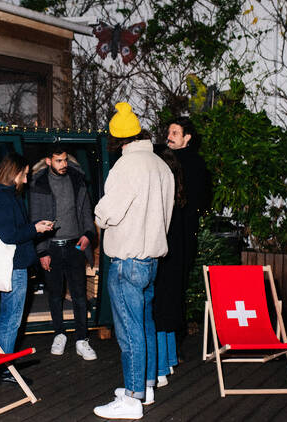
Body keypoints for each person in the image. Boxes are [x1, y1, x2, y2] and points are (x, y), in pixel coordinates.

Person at [93, 102, 174, 420]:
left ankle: (131, 399)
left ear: (117, 140)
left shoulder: (125, 168)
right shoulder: (160, 165)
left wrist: (98, 212)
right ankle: (146, 385)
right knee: (146, 323)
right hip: (151, 260)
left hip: (127, 260)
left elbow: (107, 212)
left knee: (129, 331)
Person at [0, 152, 54, 384]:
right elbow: (9, 235)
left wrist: (32, 227)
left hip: (10, 265)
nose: (26, 180)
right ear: (14, 173)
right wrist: (35, 229)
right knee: (11, 320)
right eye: (24, 175)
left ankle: (1, 365)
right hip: (13, 267)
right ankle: (5, 369)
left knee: (7, 318)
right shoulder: (4, 198)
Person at [154, 116, 209, 386]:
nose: (170, 136)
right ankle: (168, 349)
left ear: (187, 137)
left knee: (173, 291)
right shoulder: (163, 159)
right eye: (169, 131)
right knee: (168, 291)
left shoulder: (193, 164)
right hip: (171, 236)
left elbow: (199, 200)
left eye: (175, 132)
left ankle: (172, 348)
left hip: (180, 238)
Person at [29, 144, 98, 360]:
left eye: (65, 160)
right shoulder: (38, 185)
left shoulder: (77, 180)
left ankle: (81, 339)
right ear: (49, 161)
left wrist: (87, 235)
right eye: (58, 160)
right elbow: (35, 218)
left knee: (79, 295)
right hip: (52, 248)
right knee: (55, 295)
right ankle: (59, 333)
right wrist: (42, 252)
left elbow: (86, 211)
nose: (63, 164)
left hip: (75, 246)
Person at [152, 145, 187, 388]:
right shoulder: (178, 193)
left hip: (163, 256)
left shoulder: (161, 194)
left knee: (157, 312)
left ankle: (161, 367)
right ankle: (170, 359)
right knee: (168, 308)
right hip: (176, 257)